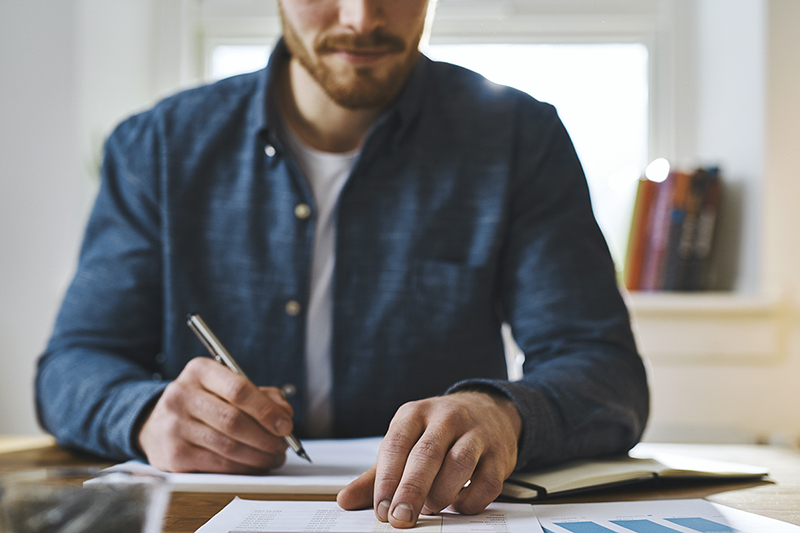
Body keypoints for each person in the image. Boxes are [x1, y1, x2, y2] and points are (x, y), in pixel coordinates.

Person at [36, 0, 649, 528]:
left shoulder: (519, 140)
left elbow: (605, 372)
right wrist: (144, 416)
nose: (362, 19)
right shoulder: (158, 147)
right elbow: (73, 365)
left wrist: (503, 414)